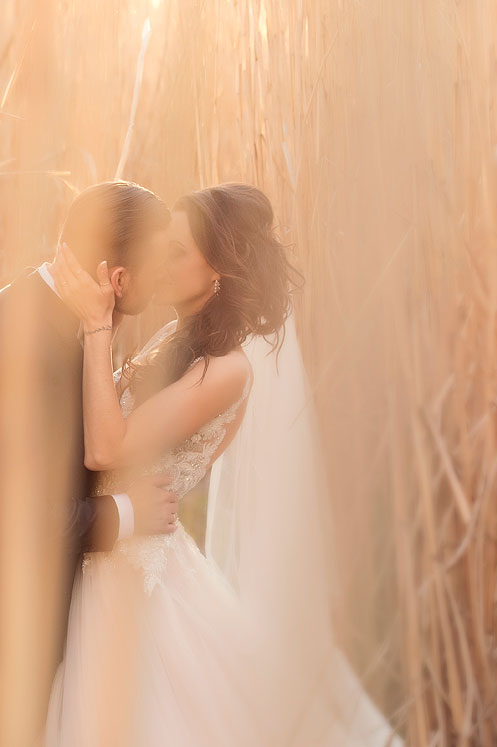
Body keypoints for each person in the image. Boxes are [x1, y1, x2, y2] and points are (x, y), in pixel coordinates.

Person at [44, 183, 401, 746]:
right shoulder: (169, 339)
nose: (161, 262)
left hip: (136, 584)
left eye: (178, 250)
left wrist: (95, 324)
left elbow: (105, 450)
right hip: (102, 557)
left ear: (220, 271)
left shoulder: (229, 369)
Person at [0, 181, 181, 743]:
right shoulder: (27, 347)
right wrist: (126, 513)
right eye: (157, 265)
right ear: (117, 278)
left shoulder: (59, 311)